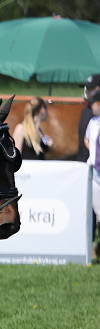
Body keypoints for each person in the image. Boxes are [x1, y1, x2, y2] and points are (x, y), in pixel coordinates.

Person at [84, 90, 100, 257]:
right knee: (95, 212)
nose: (90, 106)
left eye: (93, 103)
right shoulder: (93, 122)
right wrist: (94, 155)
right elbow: (86, 138)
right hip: (95, 173)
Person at [77, 74, 100, 162]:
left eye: (91, 88)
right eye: (87, 88)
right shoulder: (85, 111)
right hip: (86, 161)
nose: (88, 91)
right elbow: (83, 140)